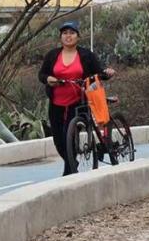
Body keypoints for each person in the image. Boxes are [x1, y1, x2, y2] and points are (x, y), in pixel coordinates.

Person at [38, 21, 115, 176]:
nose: (68, 36)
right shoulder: (52, 55)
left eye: (72, 33)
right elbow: (42, 74)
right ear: (60, 37)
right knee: (59, 139)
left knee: (69, 134)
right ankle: (73, 161)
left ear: (78, 36)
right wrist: (48, 79)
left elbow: (98, 73)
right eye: (65, 33)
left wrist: (107, 72)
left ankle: (69, 171)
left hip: (78, 101)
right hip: (56, 102)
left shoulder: (86, 55)